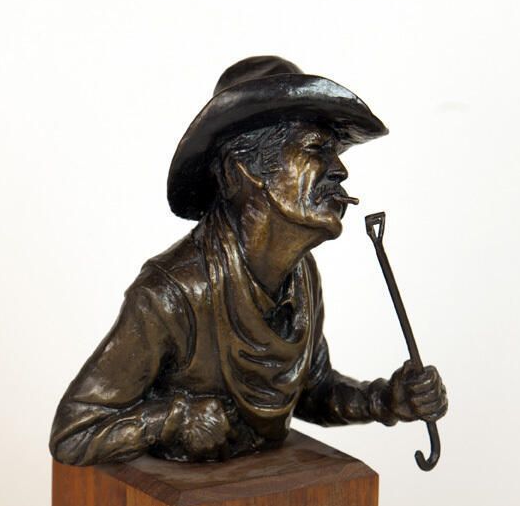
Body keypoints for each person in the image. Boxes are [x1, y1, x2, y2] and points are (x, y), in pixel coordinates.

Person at [50, 56, 447, 464]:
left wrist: (386, 399)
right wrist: (172, 418)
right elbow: (73, 433)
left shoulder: (301, 276)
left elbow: (312, 391)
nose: (340, 171)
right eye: (316, 149)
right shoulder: (173, 294)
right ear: (239, 172)